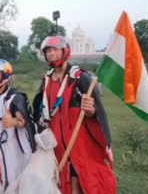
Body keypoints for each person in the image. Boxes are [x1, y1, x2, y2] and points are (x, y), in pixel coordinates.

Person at [32, 36, 116, 194]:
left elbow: (96, 111)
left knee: (81, 180)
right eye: (48, 51)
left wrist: (91, 110)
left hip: (79, 144)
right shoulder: (47, 80)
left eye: (55, 50)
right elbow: (38, 110)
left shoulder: (80, 78)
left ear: (65, 52)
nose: (51, 54)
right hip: (56, 144)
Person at [0, 58, 36, 192]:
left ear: (4, 75)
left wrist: (14, 122)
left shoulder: (14, 98)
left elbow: (25, 121)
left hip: (12, 150)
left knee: (13, 183)